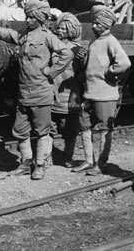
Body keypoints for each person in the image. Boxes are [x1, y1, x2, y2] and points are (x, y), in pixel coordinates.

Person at [0, 0, 72, 180]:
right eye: (27, 17)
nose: (28, 20)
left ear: (40, 18)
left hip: (41, 93)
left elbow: (67, 53)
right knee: (20, 130)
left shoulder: (48, 37)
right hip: (24, 93)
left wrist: (51, 71)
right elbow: (1, 32)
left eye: (32, 17)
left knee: (42, 131)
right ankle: (26, 163)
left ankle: (39, 165)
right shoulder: (23, 36)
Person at [71, 5, 131, 175]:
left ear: (106, 24)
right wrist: (83, 60)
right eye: (94, 23)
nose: (94, 26)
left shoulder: (111, 41)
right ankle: (89, 161)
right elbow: (91, 64)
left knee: (105, 129)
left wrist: (109, 73)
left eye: (97, 23)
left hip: (105, 95)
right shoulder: (94, 41)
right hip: (89, 93)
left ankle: (101, 164)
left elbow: (124, 63)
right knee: (84, 126)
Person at [47, 12, 86, 168]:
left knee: (70, 128)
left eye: (63, 29)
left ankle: (68, 156)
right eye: (59, 28)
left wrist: (83, 61)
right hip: (52, 91)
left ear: (71, 30)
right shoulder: (52, 45)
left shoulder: (78, 50)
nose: (59, 31)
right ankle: (47, 157)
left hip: (70, 94)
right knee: (48, 127)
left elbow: (83, 75)